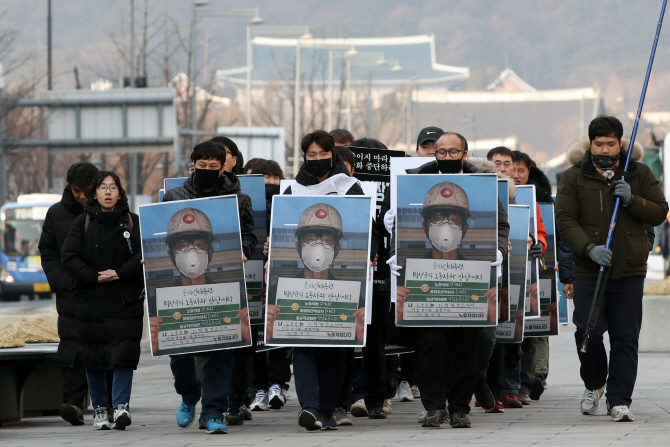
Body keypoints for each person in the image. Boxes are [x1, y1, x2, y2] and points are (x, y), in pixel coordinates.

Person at [394, 132, 509, 429]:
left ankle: (459, 408)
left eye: (452, 152)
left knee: (466, 344)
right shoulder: (416, 181)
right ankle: (433, 406)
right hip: (424, 283)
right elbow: (395, 223)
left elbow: (500, 224)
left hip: (469, 281)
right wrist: (395, 248)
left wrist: (497, 248)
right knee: (431, 343)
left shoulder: (482, 184)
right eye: (441, 152)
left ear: (465, 152)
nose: (446, 157)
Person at [556, 115, 667, 422]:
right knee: (586, 331)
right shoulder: (574, 177)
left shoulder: (639, 173)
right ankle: (594, 384)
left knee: (625, 337)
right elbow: (565, 220)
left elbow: (660, 211)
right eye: (598, 143)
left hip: (629, 268)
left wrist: (633, 200)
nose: (604, 149)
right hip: (589, 268)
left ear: (620, 144)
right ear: (589, 143)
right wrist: (589, 248)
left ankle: (619, 399)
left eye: (610, 143)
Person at [273, 130, 377, 431]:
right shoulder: (292, 191)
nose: (317, 160)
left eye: (323, 154)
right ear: (304, 156)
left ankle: (329, 408)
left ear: (333, 154)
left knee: (335, 350)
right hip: (300, 285)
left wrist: (370, 255)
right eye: (311, 155)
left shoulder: (350, 187)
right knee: (303, 345)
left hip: (341, 284)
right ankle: (309, 407)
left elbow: (368, 229)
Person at [157, 140, 256, 434]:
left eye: (215, 166)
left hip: (222, 285)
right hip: (180, 292)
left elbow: (249, 234)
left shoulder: (238, 199)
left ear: (224, 166)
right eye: (203, 166)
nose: (209, 171)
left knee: (221, 351)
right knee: (180, 352)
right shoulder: (174, 196)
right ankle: (189, 395)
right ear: (193, 164)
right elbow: (161, 235)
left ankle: (213, 410)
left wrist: (245, 250)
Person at [61, 171, 144, 431]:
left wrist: (119, 273)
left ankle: (121, 407)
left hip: (125, 301)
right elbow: (69, 257)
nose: (108, 192)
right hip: (91, 300)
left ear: (120, 192)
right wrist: (94, 277)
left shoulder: (133, 222)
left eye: (113, 187)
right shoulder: (82, 222)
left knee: (123, 355)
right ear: (94, 193)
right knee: (94, 356)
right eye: (103, 187)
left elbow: (145, 256)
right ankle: (99, 409)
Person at [39, 161, 99, 426]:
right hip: (70, 292)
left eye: (87, 190)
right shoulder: (56, 213)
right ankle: (73, 403)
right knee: (72, 347)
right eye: (77, 191)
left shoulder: (111, 209)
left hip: (103, 290)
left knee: (104, 347)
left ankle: (106, 404)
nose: (83, 196)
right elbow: (48, 252)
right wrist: (61, 281)